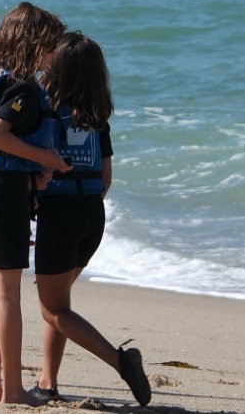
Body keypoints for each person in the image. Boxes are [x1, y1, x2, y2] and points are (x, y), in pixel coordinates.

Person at [31, 32, 152, 406]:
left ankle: (121, 361)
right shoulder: (98, 117)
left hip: (60, 214)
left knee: (53, 310)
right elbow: (106, 176)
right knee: (60, 305)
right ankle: (47, 382)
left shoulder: (47, 111)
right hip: (92, 216)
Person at [0, 2, 69, 405]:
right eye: (49, 47)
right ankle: (11, 390)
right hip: (1, 194)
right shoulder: (22, 86)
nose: (53, 55)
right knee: (7, 293)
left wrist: (30, 169)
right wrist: (48, 160)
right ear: (34, 44)